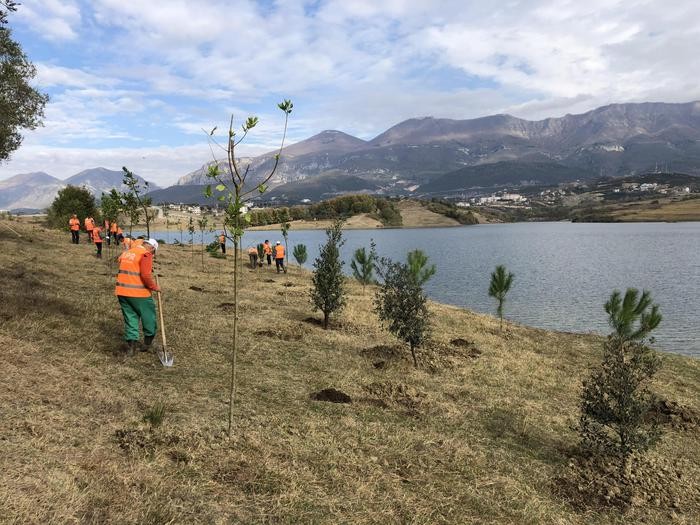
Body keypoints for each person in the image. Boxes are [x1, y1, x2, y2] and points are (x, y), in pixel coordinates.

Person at [115, 238, 161, 356]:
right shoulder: (145, 254)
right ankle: (148, 344)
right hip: (139, 293)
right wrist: (154, 287)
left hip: (122, 291)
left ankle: (131, 348)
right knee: (149, 317)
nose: (153, 254)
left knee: (130, 318)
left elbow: (121, 261)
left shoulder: (128, 252)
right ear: (151, 248)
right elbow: (145, 275)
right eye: (153, 252)